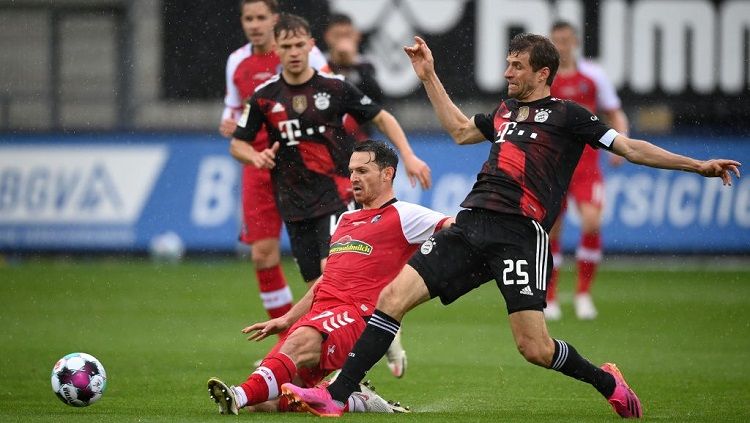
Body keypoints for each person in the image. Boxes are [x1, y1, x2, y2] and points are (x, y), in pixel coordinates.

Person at [279, 34, 741, 418]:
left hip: (519, 233)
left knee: (534, 348)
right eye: (507, 64)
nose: (507, 73)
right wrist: (429, 77)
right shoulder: (503, 112)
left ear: (542, 73)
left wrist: (696, 165)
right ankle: (336, 397)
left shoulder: (569, 115)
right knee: (391, 298)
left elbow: (631, 147)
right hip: (470, 221)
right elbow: (460, 131)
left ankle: (607, 382)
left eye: (516, 66)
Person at [230, 14, 430, 377]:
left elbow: (382, 117)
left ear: (310, 45)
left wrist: (409, 155)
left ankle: (345, 373)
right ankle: (381, 334)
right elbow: (238, 143)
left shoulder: (334, 88)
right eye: (286, 46)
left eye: (299, 45)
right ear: (276, 48)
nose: (293, 52)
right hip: (294, 205)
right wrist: (254, 156)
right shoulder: (263, 98)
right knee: (319, 294)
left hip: (336, 198)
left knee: (332, 279)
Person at [207, 140, 452, 414]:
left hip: (357, 318)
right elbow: (326, 280)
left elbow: (455, 226)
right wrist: (288, 319)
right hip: (321, 314)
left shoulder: (405, 214)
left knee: (298, 343)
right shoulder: (345, 221)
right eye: (351, 171)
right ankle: (356, 400)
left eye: (363, 171)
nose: (354, 178)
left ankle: (236, 396)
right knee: (269, 401)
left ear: (387, 174)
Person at [220, 0, 329, 328]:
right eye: (248, 18)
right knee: (263, 256)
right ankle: (287, 339)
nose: (254, 24)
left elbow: (327, 97)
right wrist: (228, 122)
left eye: (261, 17)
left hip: (304, 165)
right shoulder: (237, 62)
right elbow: (232, 110)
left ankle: (327, 333)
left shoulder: (302, 53)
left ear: (274, 19)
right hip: (258, 165)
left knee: (324, 265)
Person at [545, 20, 630, 321]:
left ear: (576, 42)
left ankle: (583, 294)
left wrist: (622, 143)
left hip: (586, 163)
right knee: (552, 229)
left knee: (592, 221)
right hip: (553, 163)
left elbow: (613, 111)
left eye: (566, 40)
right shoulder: (545, 76)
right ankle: (550, 296)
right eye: (556, 40)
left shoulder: (593, 76)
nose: (561, 46)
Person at [323, 13, 384, 141]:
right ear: (328, 37)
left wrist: (352, 63)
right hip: (327, 138)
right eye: (338, 36)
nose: (343, 41)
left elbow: (377, 99)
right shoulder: (319, 63)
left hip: (361, 139)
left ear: (357, 36)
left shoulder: (367, 64)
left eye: (347, 35)